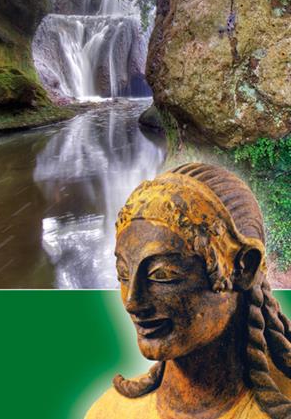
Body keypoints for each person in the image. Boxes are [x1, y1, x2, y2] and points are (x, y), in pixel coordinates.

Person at [85, 163, 291, 418]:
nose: (133, 302)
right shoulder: (110, 413)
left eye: (163, 275)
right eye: (124, 275)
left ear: (242, 269)